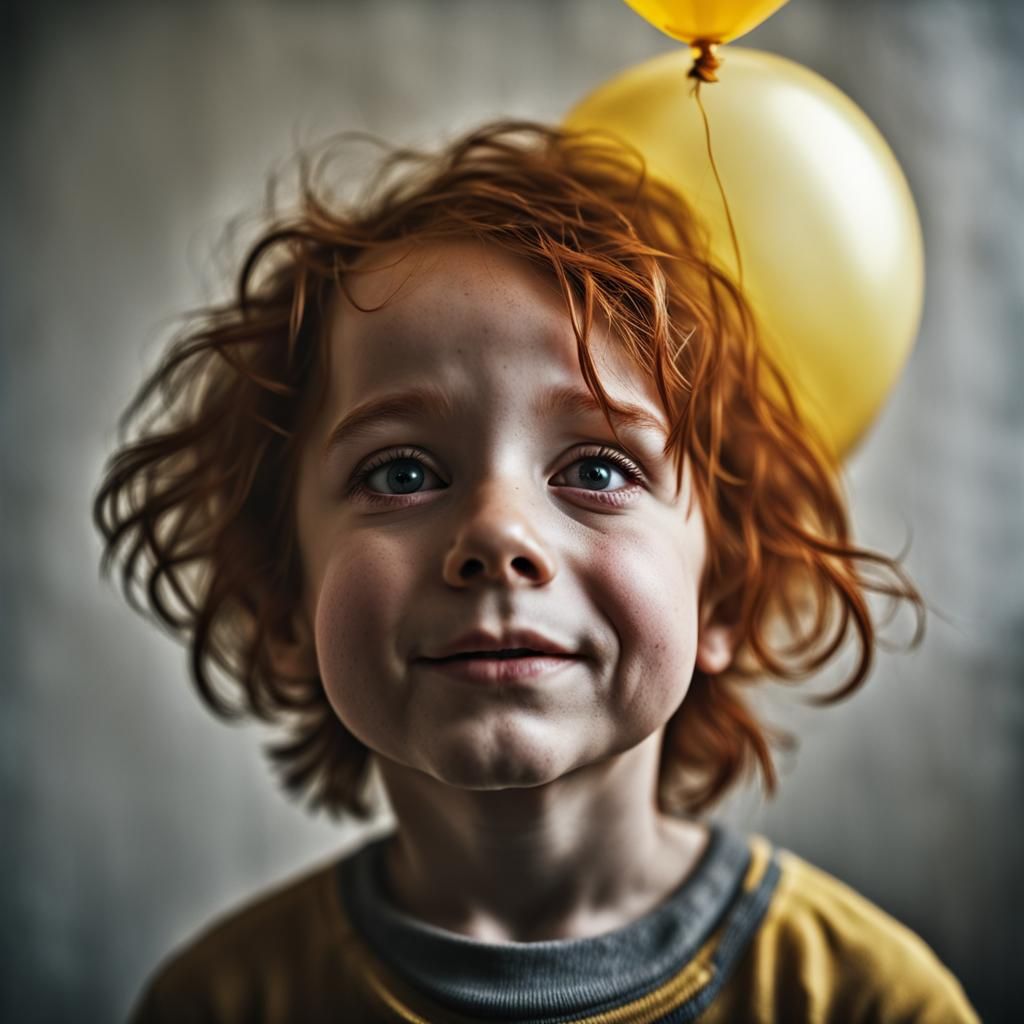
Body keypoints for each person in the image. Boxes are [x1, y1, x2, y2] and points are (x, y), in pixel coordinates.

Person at [94, 120, 978, 1023]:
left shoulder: (872, 1001)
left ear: (719, 590)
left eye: (597, 469)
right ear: (287, 600)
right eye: (401, 473)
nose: (498, 535)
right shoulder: (219, 1003)